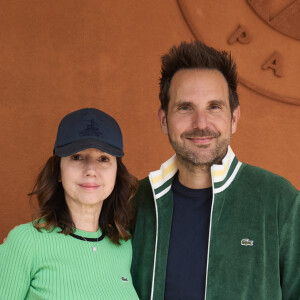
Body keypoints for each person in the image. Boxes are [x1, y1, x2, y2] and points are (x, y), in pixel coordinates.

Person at [131, 41, 300, 300]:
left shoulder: (279, 200)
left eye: (214, 107)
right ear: (165, 120)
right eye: (185, 107)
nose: (201, 124)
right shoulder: (135, 201)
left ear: (233, 119)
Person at [0, 108, 139, 299]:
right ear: (58, 171)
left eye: (103, 159)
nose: (91, 170)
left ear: (117, 173)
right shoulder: (25, 242)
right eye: (77, 157)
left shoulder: (125, 246)